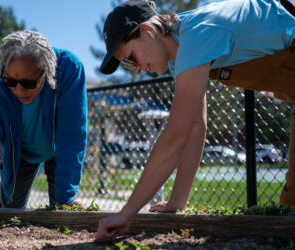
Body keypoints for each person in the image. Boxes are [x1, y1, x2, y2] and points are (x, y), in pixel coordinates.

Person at [95, 0, 295, 242]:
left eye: (130, 58)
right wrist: (176, 202)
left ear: (147, 32)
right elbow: (195, 126)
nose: (135, 69)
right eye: (128, 64)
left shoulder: (196, 34)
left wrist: (126, 214)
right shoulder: (180, 51)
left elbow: (175, 137)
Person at [0, 30, 87, 239]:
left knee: (62, 214)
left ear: (47, 72)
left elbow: (72, 136)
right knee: (11, 216)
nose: (19, 90)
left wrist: (66, 196)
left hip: (59, 151)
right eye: (11, 82)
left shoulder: (69, 69)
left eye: (29, 83)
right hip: (19, 155)